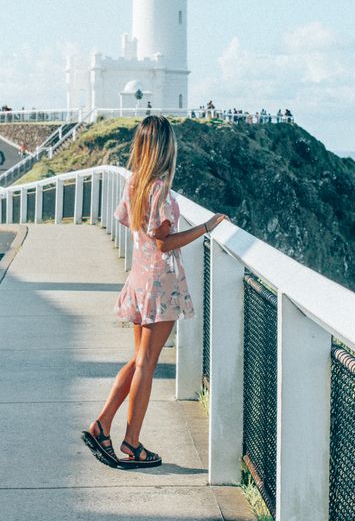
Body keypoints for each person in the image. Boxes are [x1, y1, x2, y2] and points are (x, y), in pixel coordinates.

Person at [82, 115, 229, 469]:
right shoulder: (159, 188)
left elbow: (129, 222)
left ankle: (102, 425)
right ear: (167, 147)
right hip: (160, 285)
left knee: (138, 360)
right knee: (147, 363)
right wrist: (206, 227)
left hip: (139, 279)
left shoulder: (134, 181)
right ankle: (131, 443)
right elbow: (165, 242)